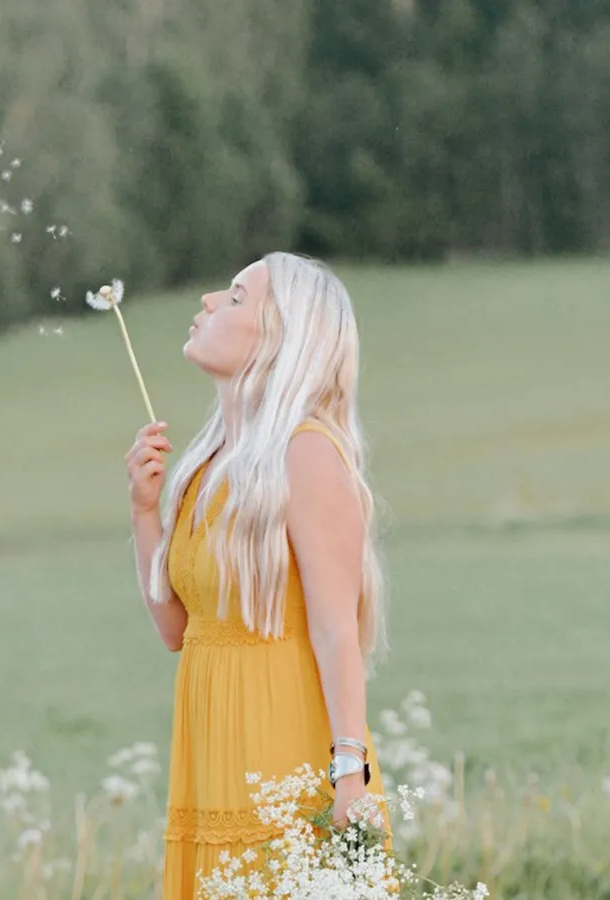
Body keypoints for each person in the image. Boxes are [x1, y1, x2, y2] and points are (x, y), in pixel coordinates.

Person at [123, 252, 391, 898]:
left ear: (280, 336)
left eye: (238, 297)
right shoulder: (208, 464)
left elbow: (335, 631)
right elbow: (176, 629)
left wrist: (348, 778)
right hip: (213, 759)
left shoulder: (307, 453)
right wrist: (143, 512)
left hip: (287, 753)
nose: (212, 299)